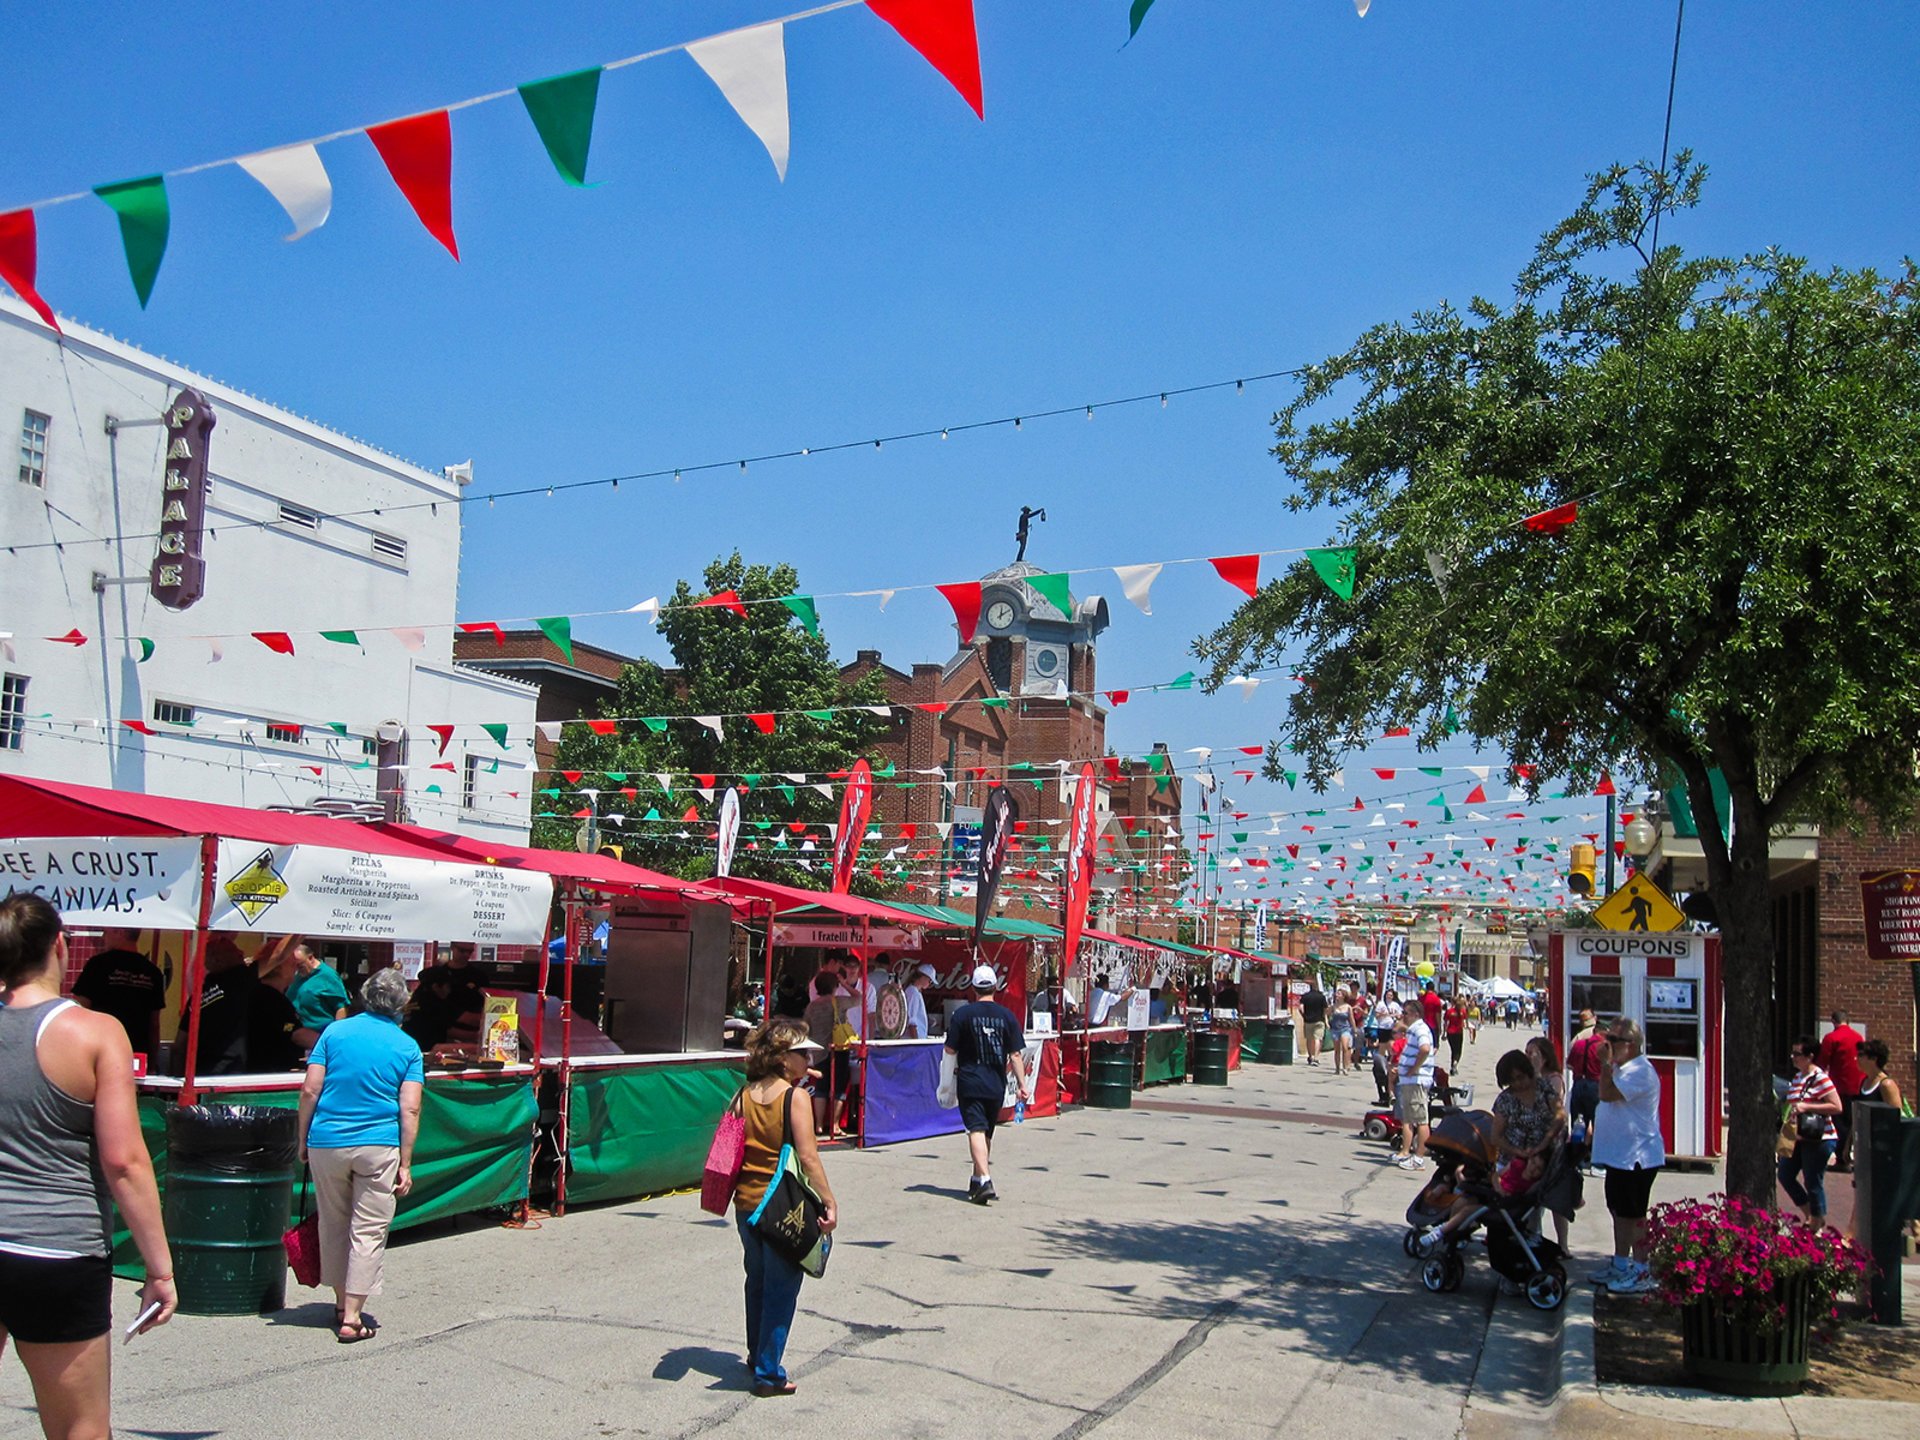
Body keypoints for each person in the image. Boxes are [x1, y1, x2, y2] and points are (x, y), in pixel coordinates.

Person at [1, 894, 176, 1438]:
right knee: (79, 1426)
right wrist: (160, 1268)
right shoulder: (95, 1032)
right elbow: (124, 1161)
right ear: (60, 944)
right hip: (56, 1245)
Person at [296, 967, 424, 1343]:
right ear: (401, 1004)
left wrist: (302, 1139)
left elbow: (310, 1090)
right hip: (378, 1145)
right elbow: (410, 1109)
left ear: (363, 997)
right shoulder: (407, 1046)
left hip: (327, 1141)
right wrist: (405, 1161)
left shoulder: (334, 1033)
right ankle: (352, 1316)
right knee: (368, 1229)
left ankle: (339, 1303)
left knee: (333, 1223)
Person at [733, 1021, 837, 1396]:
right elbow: (808, 1155)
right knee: (781, 1288)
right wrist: (829, 1200)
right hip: (780, 1205)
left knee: (756, 1281)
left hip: (746, 1202)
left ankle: (755, 1354)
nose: (808, 1058)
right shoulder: (795, 1098)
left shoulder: (744, 1093)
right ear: (782, 1058)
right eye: (801, 1053)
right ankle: (769, 1372)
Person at [1589, 1019, 1664, 1294]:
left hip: (1638, 1156)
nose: (1607, 1045)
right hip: (1619, 1156)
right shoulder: (1622, 1068)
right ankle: (1621, 1263)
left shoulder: (1640, 1071)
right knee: (1618, 1211)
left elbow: (1608, 1094)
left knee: (1634, 1216)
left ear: (1630, 1046)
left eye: (1613, 1041)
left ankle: (1642, 1268)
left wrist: (1606, 1064)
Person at [944, 964, 1029, 1204]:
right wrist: (1022, 1084)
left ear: (973, 988)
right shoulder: (1007, 1016)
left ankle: (985, 1180)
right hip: (996, 1083)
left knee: (976, 1129)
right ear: (995, 987)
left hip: (971, 1080)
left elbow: (950, 1049)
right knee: (986, 1131)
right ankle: (976, 1178)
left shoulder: (962, 1015)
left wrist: (945, 1081)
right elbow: (1015, 1055)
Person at [69, 926, 165, 1061]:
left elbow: (79, 1010)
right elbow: (154, 1024)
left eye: (106, 932)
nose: (103, 937)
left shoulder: (97, 965)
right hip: (137, 1055)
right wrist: (153, 1063)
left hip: (99, 1051)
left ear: (121, 932)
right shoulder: (153, 972)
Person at [1778, 1036, 1843, 1228]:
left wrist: (1806, 1106)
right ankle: (1812, 1215)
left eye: (1797, 1054)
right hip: (1798, 1137)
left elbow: (1836, 1106)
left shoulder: (1820, 1078)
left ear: (1810, 1056)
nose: (1793, 1057)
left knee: (1812, 1180)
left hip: (1819, 1138)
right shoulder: (1798, 1077)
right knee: (1785, 1175)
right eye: (1793, 1053)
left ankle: (1816, 1222)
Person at [1526, 1034, 1580, 1252]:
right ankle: (1533, 1234)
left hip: (1552, 1142)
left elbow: (1549, 1106)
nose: (1528, 1056)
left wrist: (1537, 1073)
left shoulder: (1554, 1078)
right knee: (1531, 1191)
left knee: (1555, 1194)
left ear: (1545, 1057)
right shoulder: (1529, 1077)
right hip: (1532, 1139)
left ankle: (1563, 1245)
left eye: (1533, 1053)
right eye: (1527, 1053)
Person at [405, 942, 485, 1050]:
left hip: (419, 1045)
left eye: (470, 951)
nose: (449, 991)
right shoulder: (432, 1002)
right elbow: (467, 1021)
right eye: (447, 986)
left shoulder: (423, 995)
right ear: (436, 987)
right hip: (422, 1048)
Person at [1815, 1011, 1865, 1171]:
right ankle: (1849, 1154)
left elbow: (1822, 1063)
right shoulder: (1858, 1037)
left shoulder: (1832, 1038)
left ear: (1833, 1021)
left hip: (1840, 1086)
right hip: (1858, 1084)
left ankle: (1841, 1159)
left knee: (1840, 1123)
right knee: (1852, 1123)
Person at [804, 973, 847, 1140]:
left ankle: (819, 1124)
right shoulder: (839, 1002)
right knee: (839, 1088)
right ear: (834, 986)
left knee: (821, 1087)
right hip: (839, 1048)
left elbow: (806, 1027)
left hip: (819, 1050)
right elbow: (859, 998)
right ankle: (835, 1125)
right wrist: (845, 984)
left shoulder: (812, 1006)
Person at [1394, 1008, 1436, 1170]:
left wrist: (1414, 1068)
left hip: (1416, 1080)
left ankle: (1418, 1158)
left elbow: (1425, 1048)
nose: (1403, 1015)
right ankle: (1407, 1152)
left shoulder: (1420, 1029)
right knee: (1411, 1118)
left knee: (1421, 1120)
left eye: (1406, 1012)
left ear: (1416, 1014)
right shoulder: (1413, 1030)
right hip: (1410, 1080)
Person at [285, 943, 351, 1039]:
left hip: (318, 1036)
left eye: (300, 965)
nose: (296, 969)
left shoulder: (328, 976)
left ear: (311, 958)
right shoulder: (297, 976)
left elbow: (341, 1007)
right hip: (294, 1032)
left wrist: (335, 1036)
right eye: (293, 966)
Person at [1566, 1010, 1607, 1152]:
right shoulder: (1603, 1047)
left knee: (1578, 1123)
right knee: (1597, 1123)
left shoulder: (1579, 1043)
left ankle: (1575, 1157)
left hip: (1578, 1084)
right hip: (1595, 1086)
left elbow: (1569, 1064)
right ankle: (1597, 1158)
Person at [1856, 1037, 1906, 1117]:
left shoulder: (1886, 1085)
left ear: (1874, 1059)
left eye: (1861, 1055)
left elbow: (1896, 1117)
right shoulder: (1864, 1081)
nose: (1856, 1058)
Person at [1327, 986, 1356, 1075]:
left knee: (1345, 1047)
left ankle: (1345, 1066)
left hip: (1345, 1028)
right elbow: (1325, 1014)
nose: (1337, 995)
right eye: (1336, 994)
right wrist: (1327, 1024)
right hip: (1335, 1029)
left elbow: (1351, 1019)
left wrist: (1354, 1031)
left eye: (1339, 994)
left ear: (1343, 996)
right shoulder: (1333, 1007)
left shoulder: (1348, 1007)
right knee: (1337, 1050)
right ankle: (1337, 1068)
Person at [1298, 982, 1328, 1066]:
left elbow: (1300, 1008)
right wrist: (1326, 1020)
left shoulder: (1305, 996)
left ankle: (1310, 1056)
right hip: (1319, 1020)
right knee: (1317, 1039)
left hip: (1308, 1020)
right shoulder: (1321, 997)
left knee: (1309, 1039)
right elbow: (1325, 1009)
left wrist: (1304, 1015)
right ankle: (1316, 1057)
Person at [903, 962, 935, 1040]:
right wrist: (915, 1041)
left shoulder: (914, 991)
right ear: (923, 977)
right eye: (929, 981)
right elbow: (911, 1020)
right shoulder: (913, 992)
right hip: (912, 1040)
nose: (929, 984)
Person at [1443, 993, 1467, 1071]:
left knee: (1453, 1050)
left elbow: (1446, 1023)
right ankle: (1455, 1063)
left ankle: (1453, 1065)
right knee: (1458, 1050)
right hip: (1459, 1032)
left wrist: (1444, 1033)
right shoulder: (1462, 1011)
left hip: (1450, 1032)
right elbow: (1464, 1020)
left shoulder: (1449, 1011)